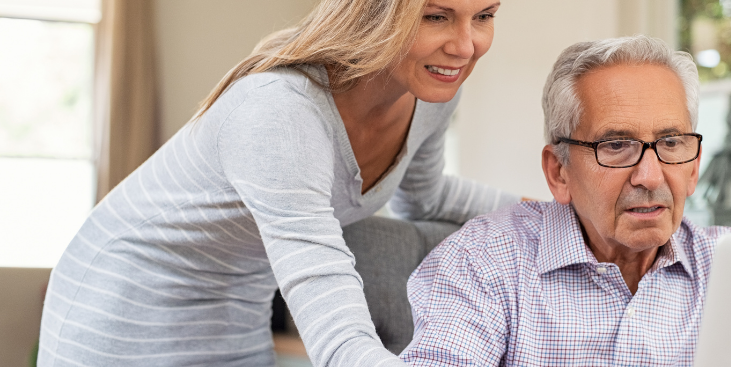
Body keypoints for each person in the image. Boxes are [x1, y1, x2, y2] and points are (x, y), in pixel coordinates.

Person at [37, 0, 514, 366]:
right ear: (373, 13)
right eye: (436, 17)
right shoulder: (279, 110)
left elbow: (426, 196)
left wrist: (555, 209)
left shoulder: (432, 94)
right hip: (126, 305)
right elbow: (328, 299)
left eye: (484, 15)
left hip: (237, 313)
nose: (466, 45)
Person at [399, 35, 731, 366]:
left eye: (670, 143)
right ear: (559, 172)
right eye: (616, 145)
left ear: (694, 168)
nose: (651, 177)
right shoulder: (483, 262)